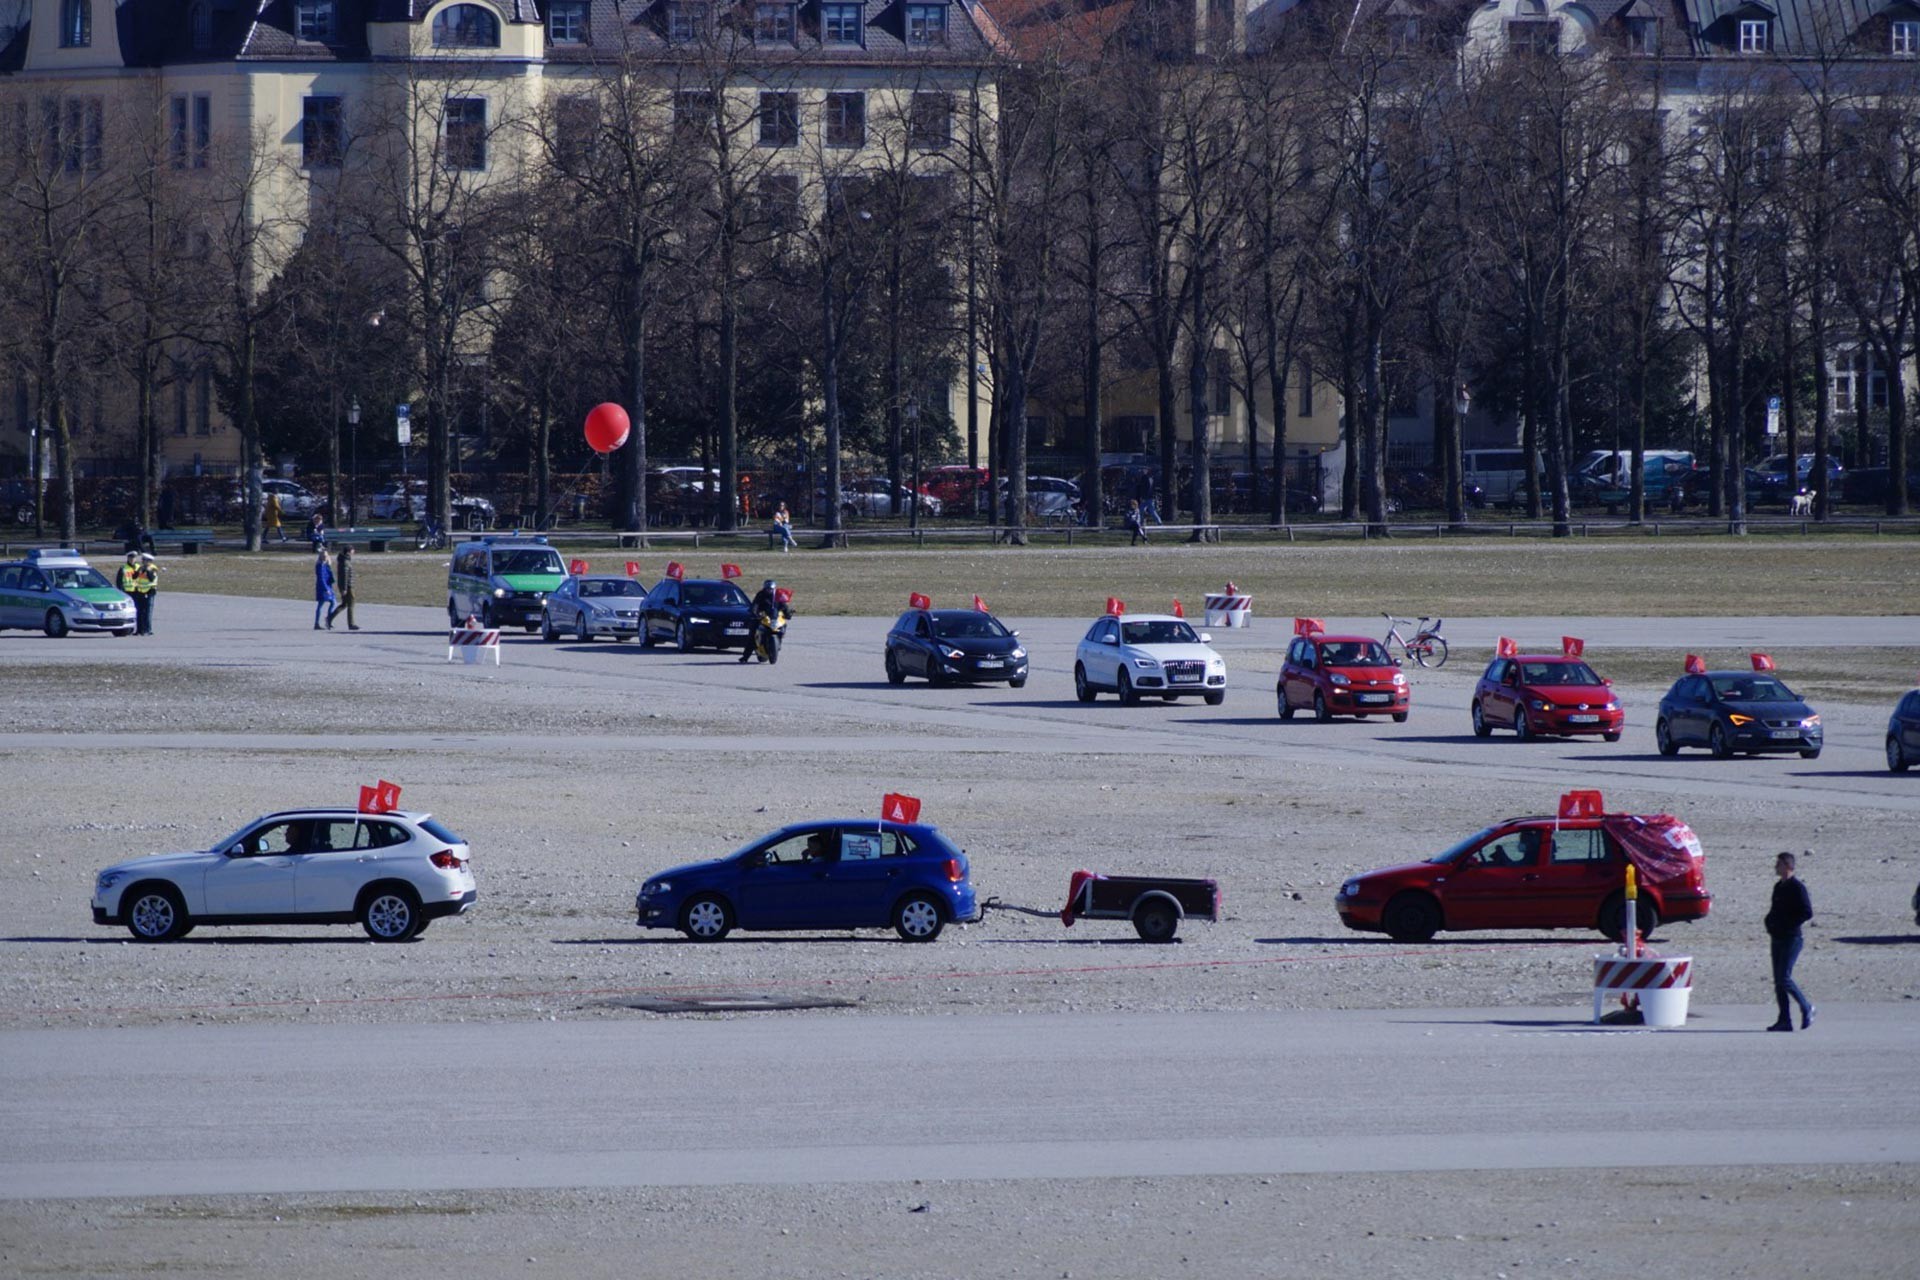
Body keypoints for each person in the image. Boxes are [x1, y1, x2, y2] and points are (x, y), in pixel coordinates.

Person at [1765, 852, 1815, 1032]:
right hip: (1777, 937)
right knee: (1778, 981)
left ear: (1787, 866)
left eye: (1778, 864)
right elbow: (1774, 909)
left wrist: (1788, 925)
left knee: (1784, 977)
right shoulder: (1779, 886)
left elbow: (1807, 912)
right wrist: (1770, 922)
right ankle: (1784, 1020)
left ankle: (1806, 1006)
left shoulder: (1797, 887)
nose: (1775, 867)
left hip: (1792, 938)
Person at [741, 578, 786, 664]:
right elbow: (755, 605)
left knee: (783, 625)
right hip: (762, 617)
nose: (769, 590)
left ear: (774, 588)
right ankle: (745, 657)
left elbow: (783, 605)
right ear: (764, 588)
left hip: (774, 618)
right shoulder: (761, 595)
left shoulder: (778, 595)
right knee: (752, 635)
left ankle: (779, 641)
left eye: (771, 589)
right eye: (767, 589)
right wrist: (754, 612)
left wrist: (788, 612)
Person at [326, 545, 360, 631]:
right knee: (351, 604)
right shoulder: (345, 562)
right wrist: (344, 589)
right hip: (348, 586)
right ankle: (351, 624)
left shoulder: (344, 560)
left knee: (344, 604)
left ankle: (329, 618)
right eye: (352, 550)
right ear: (348, 552)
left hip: (347, 585)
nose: (354, 552)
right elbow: (344, 576)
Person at [116, 552, 146, 635]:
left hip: (137, 592)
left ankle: (140, 630)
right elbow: (119, 582)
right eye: (130, 558)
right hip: (127, 592)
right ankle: (129, 629)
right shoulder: (123, 568)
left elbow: (143, 579)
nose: (132, 559)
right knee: (128, 612)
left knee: (139, 611)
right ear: (128, 558)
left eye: (134, 558)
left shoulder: (139, 567)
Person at [135, 553, 160, 635]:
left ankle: (148, 630)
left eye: (144, 560)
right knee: (140, 611)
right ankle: (139, 630)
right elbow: (134, 577)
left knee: (148, 612)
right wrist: (139, 571)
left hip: (150, 591)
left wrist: (147, 571)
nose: (142, 562)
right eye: (142, 560)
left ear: (149, 561)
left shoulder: (153, 569)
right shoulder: (141, 568)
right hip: (141, 591)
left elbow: (151, 579)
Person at [313, 547, 336, 630]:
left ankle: (328, 620)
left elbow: (329, 575)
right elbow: (321, 578)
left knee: (333, 602)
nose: (326, 557)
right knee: (320, 605)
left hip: (328, 586)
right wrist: (326, 589)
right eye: (324, 556)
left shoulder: (326, 565)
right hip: (322, 587)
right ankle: (317, 623)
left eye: (326, 555)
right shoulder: (320, 566)